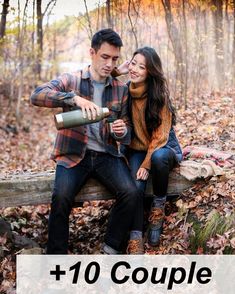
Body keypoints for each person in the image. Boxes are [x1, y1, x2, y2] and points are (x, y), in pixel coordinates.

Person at [31, 29, 144, 255]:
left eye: (114, 59)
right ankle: (56, 259)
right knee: (61, 197)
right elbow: (37, 95)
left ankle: (110, 246)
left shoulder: (120, 89)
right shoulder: (71, 80)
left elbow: (128, 130)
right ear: (92, 53)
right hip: (74, 155)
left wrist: (121, 131)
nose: (109, 63)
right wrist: (73, 98)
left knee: (131, 193)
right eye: (104, 57)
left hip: (107, 156)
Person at [114, 46, 183, 247]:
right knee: (135, 187)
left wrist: (145, 164)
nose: (135, 69)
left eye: (141, 67)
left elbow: (160, 137)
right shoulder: (125, 90)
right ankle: (135, 237)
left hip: (163, 148)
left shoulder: (159, 95)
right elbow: (102, 80)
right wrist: (118, 70)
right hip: (137, 148)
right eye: (133, 63)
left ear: (150, 71)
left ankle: (158, 207)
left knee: (158, 158)